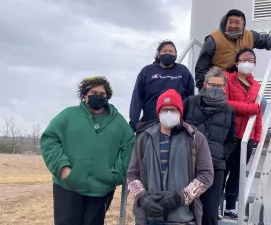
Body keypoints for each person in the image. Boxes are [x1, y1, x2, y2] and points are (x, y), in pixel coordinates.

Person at [40, 76, 135, 225]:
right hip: (68, 186)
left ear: (107, 97)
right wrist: (63, 169)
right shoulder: (68, 116)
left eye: (102, 94)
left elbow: (129, 147)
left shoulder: (119, 122)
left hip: (101, 190)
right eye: (93, 92)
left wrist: (114, 175)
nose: (98, 96)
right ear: (84, 95)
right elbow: (49, 140)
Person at [127, 89, 214, 225]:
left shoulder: (196, 139)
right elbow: (132, 174)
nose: (168, 113)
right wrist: (142, 197)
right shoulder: (144, 138)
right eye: (165, 109)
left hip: (184, 219)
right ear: (158, 112)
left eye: (173, 109)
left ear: (180, 112)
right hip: (149, 219)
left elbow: (206, 175)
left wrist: (180, 197)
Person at [195, 9, 271, 113]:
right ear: (225, 22)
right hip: (220, 82)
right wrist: (202, 90)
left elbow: (264, 38)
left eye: (237, 22)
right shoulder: (213, 39)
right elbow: (201, 67)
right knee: (224, 106)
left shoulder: (249, 36)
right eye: (230, 22)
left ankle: (252, 129)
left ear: (243, 24)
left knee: (261, 101)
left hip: (240, 81)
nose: (233, 25)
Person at [182, 67, 236, 225]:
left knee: (210, 214)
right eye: (213, 84)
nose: (216, 88)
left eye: (220, 86)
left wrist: (221, 154)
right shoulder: (190, 102)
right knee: (185, 210)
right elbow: (178, 128)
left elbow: (232, 139)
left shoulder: (229, 110)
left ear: (225, 88)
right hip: (188, 164)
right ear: (205, 84)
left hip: (215, 167)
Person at [221, 48, 263, 219]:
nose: (247, 63)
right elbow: (225, 103)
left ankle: (230, 207)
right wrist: (249, 109)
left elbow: (258, 113)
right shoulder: (227, 79)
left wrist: (258, 135)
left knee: (237, 174)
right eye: (244, 59)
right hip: (228, 134)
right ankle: (214, 205)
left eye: (251, 60)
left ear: (255, 64)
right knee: (221, 171)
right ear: (236, 63)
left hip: (247, 137)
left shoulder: (256, 85)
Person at [129, 40, 195, 132]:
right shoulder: (147, 71)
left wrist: (189, 122)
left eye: (171, 51)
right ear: (159, 54)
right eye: (164, 51)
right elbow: (137, 98)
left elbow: (191, 98)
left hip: (177, 126)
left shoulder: (183, 71)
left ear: (176, 55)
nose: (168, 53)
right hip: (150, 124)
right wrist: (133, 122)